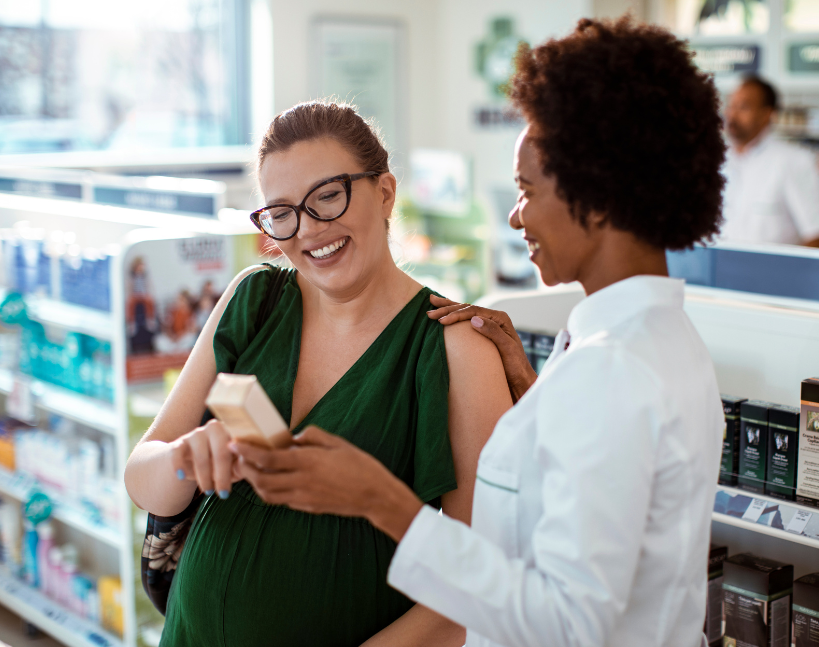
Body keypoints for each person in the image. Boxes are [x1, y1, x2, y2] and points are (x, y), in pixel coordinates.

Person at [229, 17, 726, 647]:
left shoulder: (614, 370)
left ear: (595, 197)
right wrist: (535, 394)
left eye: (526, 190)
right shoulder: (659, 342)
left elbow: (569, 624)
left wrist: (384, 502)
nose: (517, 216)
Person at [123, 101, 512, 646]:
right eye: (281, 212)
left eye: (328, 196)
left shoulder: (455, 347)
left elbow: (479, 587)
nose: (307, 229)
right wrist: (185, 460)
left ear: (384, 193)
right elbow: (143, 478)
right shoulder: (252, 299)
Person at [720, 75, 819, 248]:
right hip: (717, 270)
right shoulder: (718, 159)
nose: (732, 114)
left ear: (766, 114)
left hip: (770, 273)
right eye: (731, 105)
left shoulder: (793, 161)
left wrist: (787, 273)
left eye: (743, 107)